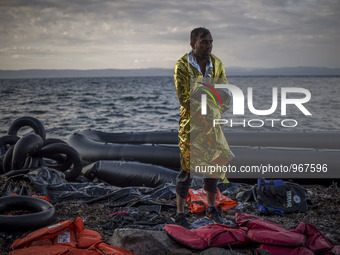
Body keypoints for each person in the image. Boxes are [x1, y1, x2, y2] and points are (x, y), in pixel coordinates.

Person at [174, 27, 231, 229]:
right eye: (204, 42)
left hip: (212, 124)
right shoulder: (182, 66)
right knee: (186, 170)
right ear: (193, 44)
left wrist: (216, 101)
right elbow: (185, 98)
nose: (208, 46)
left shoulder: (217, 64)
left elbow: (225, 92)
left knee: (213, 167)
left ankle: (212, 209)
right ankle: (180, 215)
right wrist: (211, 95)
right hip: (191, 126)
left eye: (211, 42)